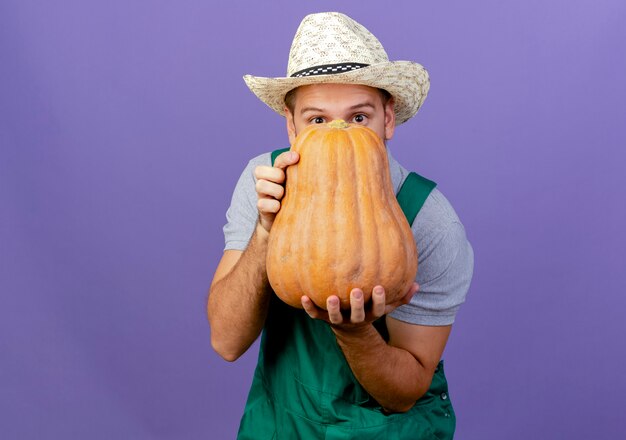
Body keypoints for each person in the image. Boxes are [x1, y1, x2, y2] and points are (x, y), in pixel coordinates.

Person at [207, 12, 474, 439]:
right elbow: (226, 342)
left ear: (388, 120)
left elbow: (406, 390)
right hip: (283, 423)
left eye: (357, 118)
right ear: (291, 127)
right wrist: (264, 233)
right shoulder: (263, 180)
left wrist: (354, 332)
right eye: (317, 120)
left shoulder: (431, 220)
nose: (336, 134)